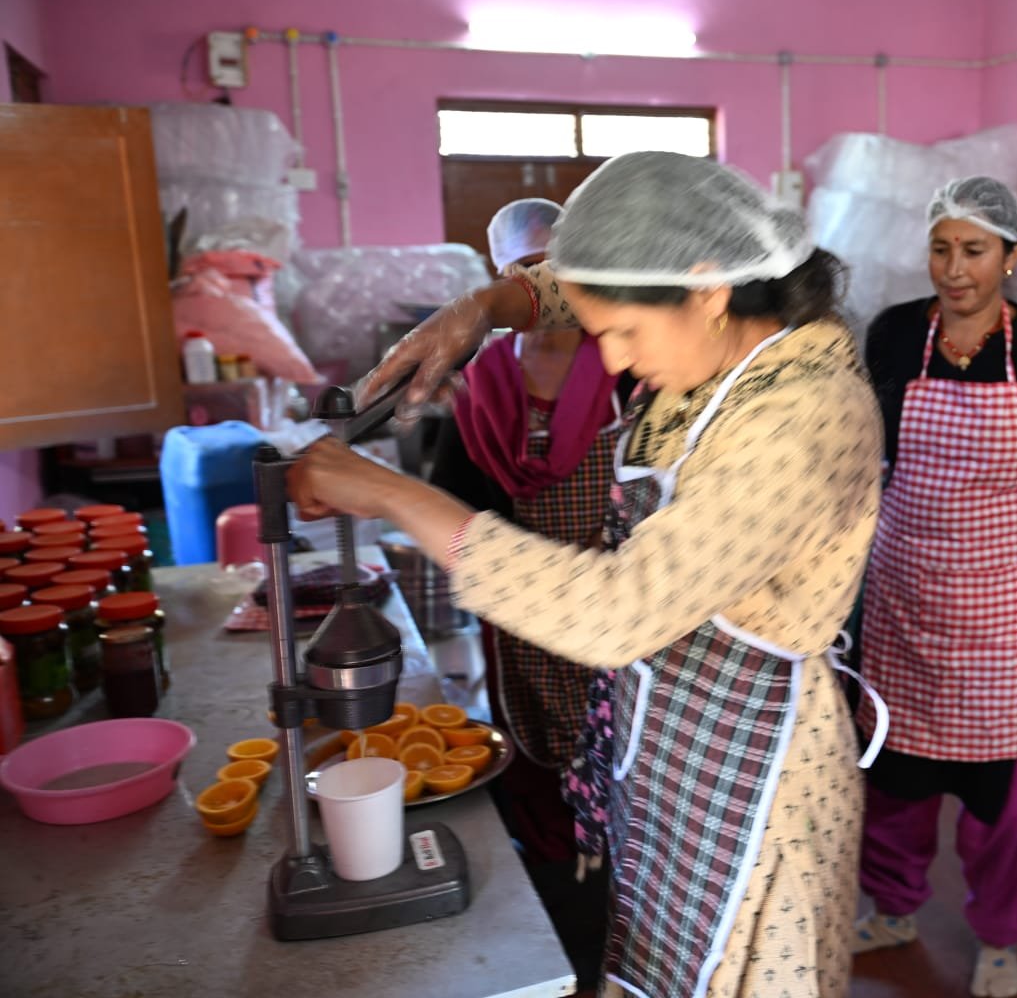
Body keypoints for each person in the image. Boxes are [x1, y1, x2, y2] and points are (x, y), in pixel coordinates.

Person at [288, 150, 884, 998]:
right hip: (673, 748)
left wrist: (391, 494)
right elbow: (582, 289)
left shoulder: (804, 414)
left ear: (706, 286)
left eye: (623, 334)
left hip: (761, 782)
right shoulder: (715, 342)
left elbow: (619, 610)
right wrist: (480, 308)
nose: (608, 362)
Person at [851, 175, 1017, 998]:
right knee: (897, 775)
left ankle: (999, 936)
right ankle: (893, 907)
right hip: (907, 583)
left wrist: (993, 515)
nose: (955, 269)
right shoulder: (893, 335)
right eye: (941, 249)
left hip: (1003, 595)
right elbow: (869, 440)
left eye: (975, 251)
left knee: (1004, 790)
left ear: (1011, 255)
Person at [428, 197, 634, 866]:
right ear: (501, 280)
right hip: (519, 604)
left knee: (619, 737)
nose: (542, 295)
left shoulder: (629, 366)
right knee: (532, 736)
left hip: (617, 597)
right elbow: (453, 499)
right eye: (524, 276)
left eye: (556, 273)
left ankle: (617, 857)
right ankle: (551, 858)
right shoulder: (480, 379)